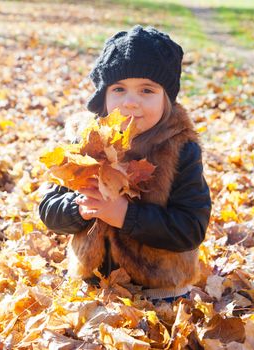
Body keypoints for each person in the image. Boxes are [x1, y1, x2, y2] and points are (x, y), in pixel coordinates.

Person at [39, 25, 211, 304]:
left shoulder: (181, 150)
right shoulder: (84, 144)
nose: (131, 102)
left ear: (166, 99)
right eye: (119, 89)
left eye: (146, 90)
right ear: (102, 97)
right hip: (92, 284)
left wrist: (124, 215)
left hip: (158, 291)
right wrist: (79, 208)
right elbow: (48, 209)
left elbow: (190, 228)